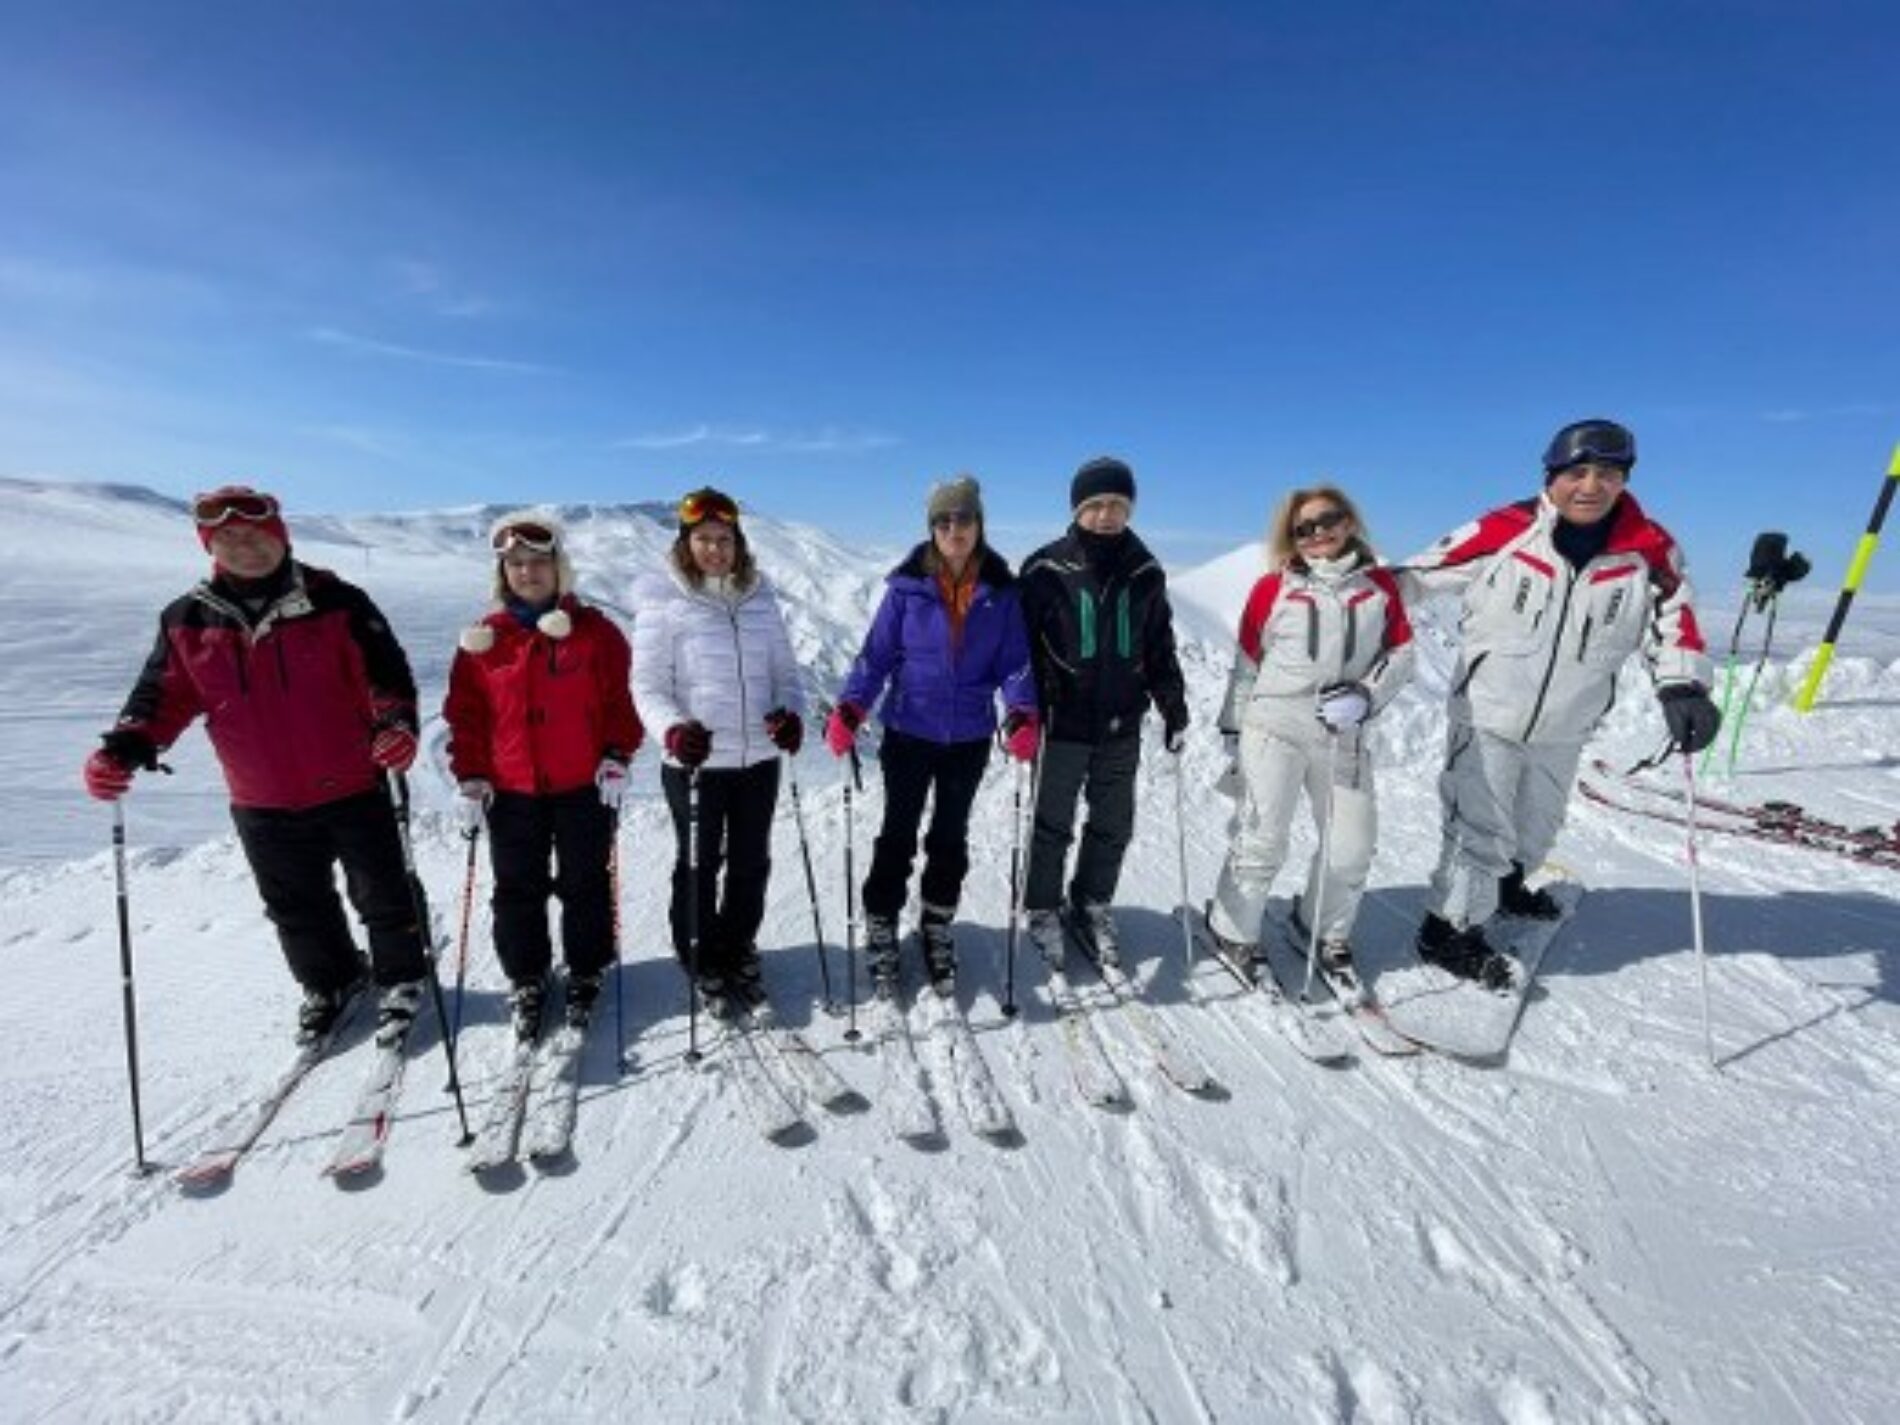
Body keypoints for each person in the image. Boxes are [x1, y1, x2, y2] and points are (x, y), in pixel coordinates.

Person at [81, 485, 431, 1043]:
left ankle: (402, 978)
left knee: (381, 891)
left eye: (256, 534)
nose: (246, 547)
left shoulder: (338, 602)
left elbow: (386, 675)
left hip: (351, 781)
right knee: (294, 905)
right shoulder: (185, 619)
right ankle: (331, 982)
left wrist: (395, 725)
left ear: (281, 536)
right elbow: (161, 695)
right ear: (209, 546)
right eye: (229, 538)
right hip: (260, 794)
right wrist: (125, 745)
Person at [1400, 418, 1719, 987]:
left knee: (1537, 821)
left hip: (1569, 718)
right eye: (1577, 472)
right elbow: (1415, 578)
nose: (1591, 486)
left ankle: (1508, 887)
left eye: (1608, 474)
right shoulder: (1505, 529)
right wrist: (1339, 601)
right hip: (1489, 711)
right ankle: (1447, 930)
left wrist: (1683, 684)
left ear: (1624, 481)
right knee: (1480, 826)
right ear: (1552, 476)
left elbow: (1676, 620)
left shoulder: (1649, 548)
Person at [825, 475, 1040, 994]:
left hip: (967, 737)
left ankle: (937, 922)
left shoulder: (1001, 594)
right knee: (896, 834)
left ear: (979, 524)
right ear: (932, 529)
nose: (954, 528)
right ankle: (881, 924)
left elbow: (1014, 665)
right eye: (943, 521)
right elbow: (877, 657)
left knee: (949, 836)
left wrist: (1022, 712)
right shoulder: (905, 590)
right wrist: (852, 705)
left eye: (963, 518)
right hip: (908, 731)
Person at [443, 510, 643, 1041]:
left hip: (583, 785)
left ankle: (587, 969)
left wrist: (617, 755)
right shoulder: (483, 642)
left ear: (560, 568)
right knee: (517, 890)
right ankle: (527, 977)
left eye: (538, 562)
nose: (527, 573)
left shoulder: (596, 633)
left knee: (585, 884)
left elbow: (621, 703)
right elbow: (466, 716)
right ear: (502, 574)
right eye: (516, 565)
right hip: (511, 791)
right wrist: (470, 775)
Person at [1202, 485, 1415, 982]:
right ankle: (1232, 929)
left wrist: (1366, 695)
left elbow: (1402, 655)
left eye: (1329, 519)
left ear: (1349, 521)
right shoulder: (1273, 589)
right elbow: (1247, 663)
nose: (1319, 532)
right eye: (1305, 528)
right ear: (1291, 537)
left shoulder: (1380, 587)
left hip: (1343, 733)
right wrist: (1234, 726)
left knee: (1352, 846)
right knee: (1262, 838)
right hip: (1274, 726)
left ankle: (1320, 926)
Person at [631, 488, 805, 1021]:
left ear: (738, 543)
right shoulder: (664, 600)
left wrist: (789, 714)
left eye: (723, 539)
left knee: (752, 862)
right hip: (696, 762)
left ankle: (738, 946)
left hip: (757, 760)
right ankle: (700, 954)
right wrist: (673, 731)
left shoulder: (760, 596)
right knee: (699, 864)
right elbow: (647, 686)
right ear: (686, 542)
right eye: (703, 539)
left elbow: (787, 676)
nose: (714, 549)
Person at [1018, 456, 1189, 971]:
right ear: (1077, 509)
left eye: (1117, 504)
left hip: (1121, 721)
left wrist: (1173, 703)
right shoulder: (1045, 569)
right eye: (1096, 505)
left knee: (1113, 821)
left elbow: (1159, 646)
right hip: (1064, 720)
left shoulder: (1145, 571)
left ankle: (1091, 902)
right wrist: (1025, 709)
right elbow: (1022, 650)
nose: (1107, 514)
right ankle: (1043, 908)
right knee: (1053, 822)